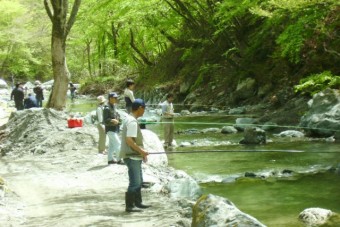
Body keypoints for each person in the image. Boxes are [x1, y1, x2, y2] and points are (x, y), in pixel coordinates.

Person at [120, 98, 151, 212]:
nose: (144, 111)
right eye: (144, 109)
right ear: (140, 108)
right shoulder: (132, 121)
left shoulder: (129, 118)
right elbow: (129, 140)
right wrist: (142, 152)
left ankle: (138, 203)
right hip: (131, 156)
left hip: (133, 155)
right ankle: (130, 206)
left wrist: (141, 153)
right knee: (135, 182)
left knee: (138, 180)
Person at [103, 92, 122, 165]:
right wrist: (112, 120)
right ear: (110, 98)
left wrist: (118, 120)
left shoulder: (114, 106)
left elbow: (116, 116)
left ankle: (110, 159)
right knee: (118, 144)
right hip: (110, 129)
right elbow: (105, 120)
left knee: (111, 145)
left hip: (115, 128)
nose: (116, 99)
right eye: (115, 98)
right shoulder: (106, 108)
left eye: (116, 98)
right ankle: (119, 159)